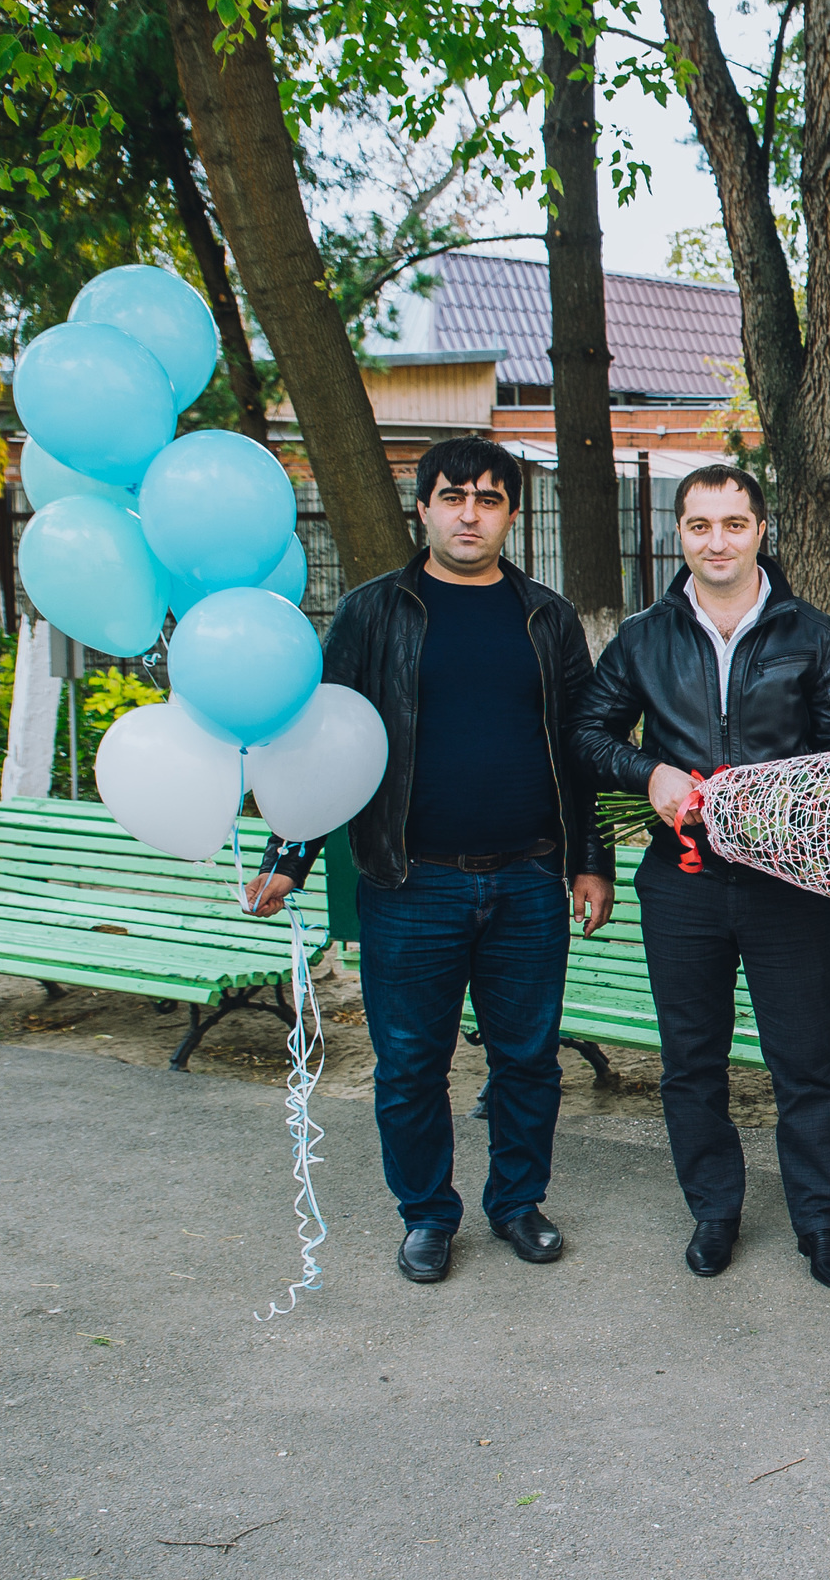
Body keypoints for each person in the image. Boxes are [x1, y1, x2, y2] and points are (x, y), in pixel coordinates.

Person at [247, 436, 613, 1285]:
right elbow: (319, 743)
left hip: (528, 876)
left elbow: (580, 749)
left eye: (489, 499)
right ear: (424, 508)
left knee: (528, 1058)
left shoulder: (546, 616)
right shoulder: (375, 612)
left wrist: (589, 860)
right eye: (453, 497)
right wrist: (289, 854)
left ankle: (518, 1204)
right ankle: (427, 1215)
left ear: (512, 515)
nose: (469, 513)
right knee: (412, 1065)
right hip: (410, 880)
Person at [571, 465, 830, 1289]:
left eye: (734, 523)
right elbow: (588, 734)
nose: (718, 541)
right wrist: (649, 771)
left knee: (804, 1060)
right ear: (680, 533)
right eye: (700, 525)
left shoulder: (810, 632)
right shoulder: (642, 635)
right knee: (690, 1060)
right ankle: (714, 1213)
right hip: (682, 884)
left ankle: (819, 1223)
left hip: (784, 883)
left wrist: (785, 805)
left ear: (760, 530)